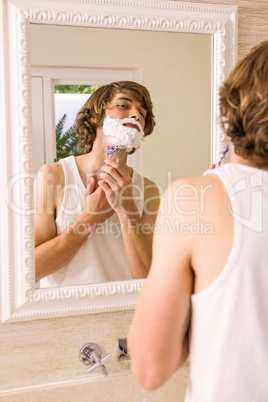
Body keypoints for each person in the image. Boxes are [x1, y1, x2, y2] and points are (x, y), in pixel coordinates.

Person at [128, 41, 268, 401]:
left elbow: (149, 368)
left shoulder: (194, 199)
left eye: (140, 110)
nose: (134, 116)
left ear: (234, 104)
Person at [34, 81, 160, 287]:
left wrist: (128, 211)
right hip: (64, 315)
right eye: (124, 105)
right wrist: (88, 220)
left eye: (142, 113)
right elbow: (32, 270)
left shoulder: (148, 190)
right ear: (95, 117)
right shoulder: (53, 176)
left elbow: (149, 277)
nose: (136, 114)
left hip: (125, 314)